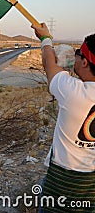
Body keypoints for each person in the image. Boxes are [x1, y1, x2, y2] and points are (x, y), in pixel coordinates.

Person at [31, 23, 95, 212]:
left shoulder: (72, 91)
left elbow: (49, 64)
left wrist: (45, 38)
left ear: (84, 62)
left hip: (62, 181)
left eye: (78, 54)